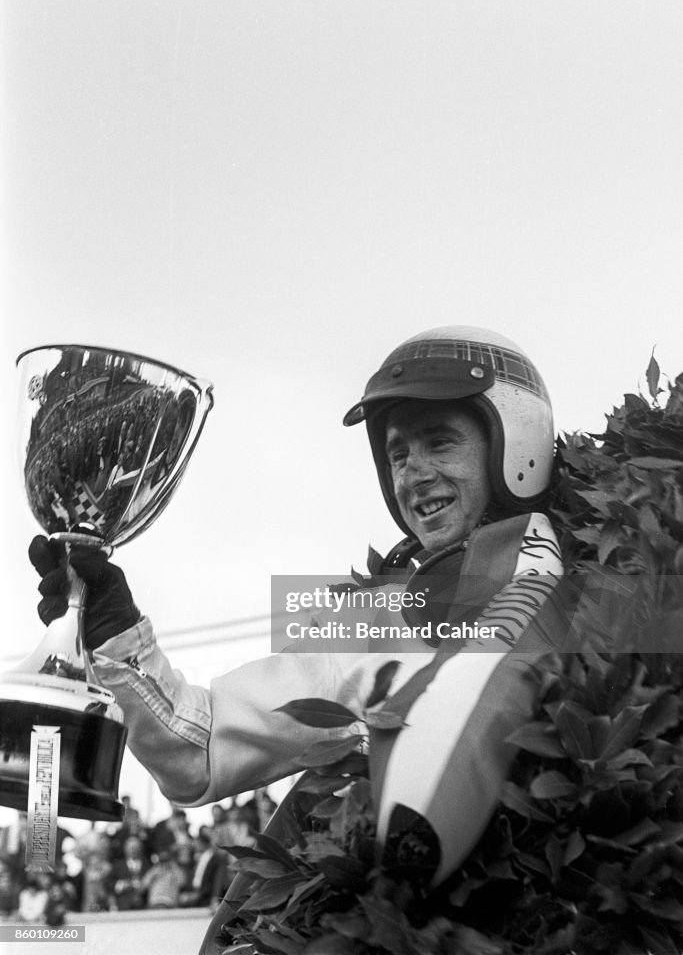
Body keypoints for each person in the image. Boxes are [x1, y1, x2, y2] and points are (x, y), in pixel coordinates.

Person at [29, 326, 568, 888]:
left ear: (517, 446)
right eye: (398, 454)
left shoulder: (624, 581)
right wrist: (115, 633)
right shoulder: (363, 628)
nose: (413, 475)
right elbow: (200, 753)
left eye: (440, 442)